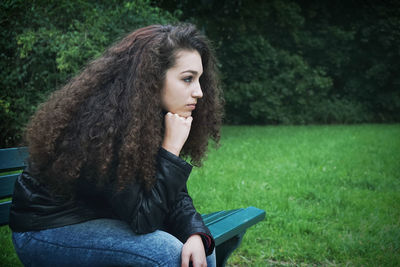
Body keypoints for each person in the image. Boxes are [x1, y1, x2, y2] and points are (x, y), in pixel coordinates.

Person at [9, 23, 223, 267]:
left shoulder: (153, 116)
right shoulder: (104, 127)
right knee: (169, 253)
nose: (199, 92)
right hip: (46, 230)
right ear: (152, 78)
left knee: (201, 251)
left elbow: (175, 197)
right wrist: (171, 151)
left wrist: (194, 232)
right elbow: (144, 220)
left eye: (199, 79)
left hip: (101, 218)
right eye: (187, 79)